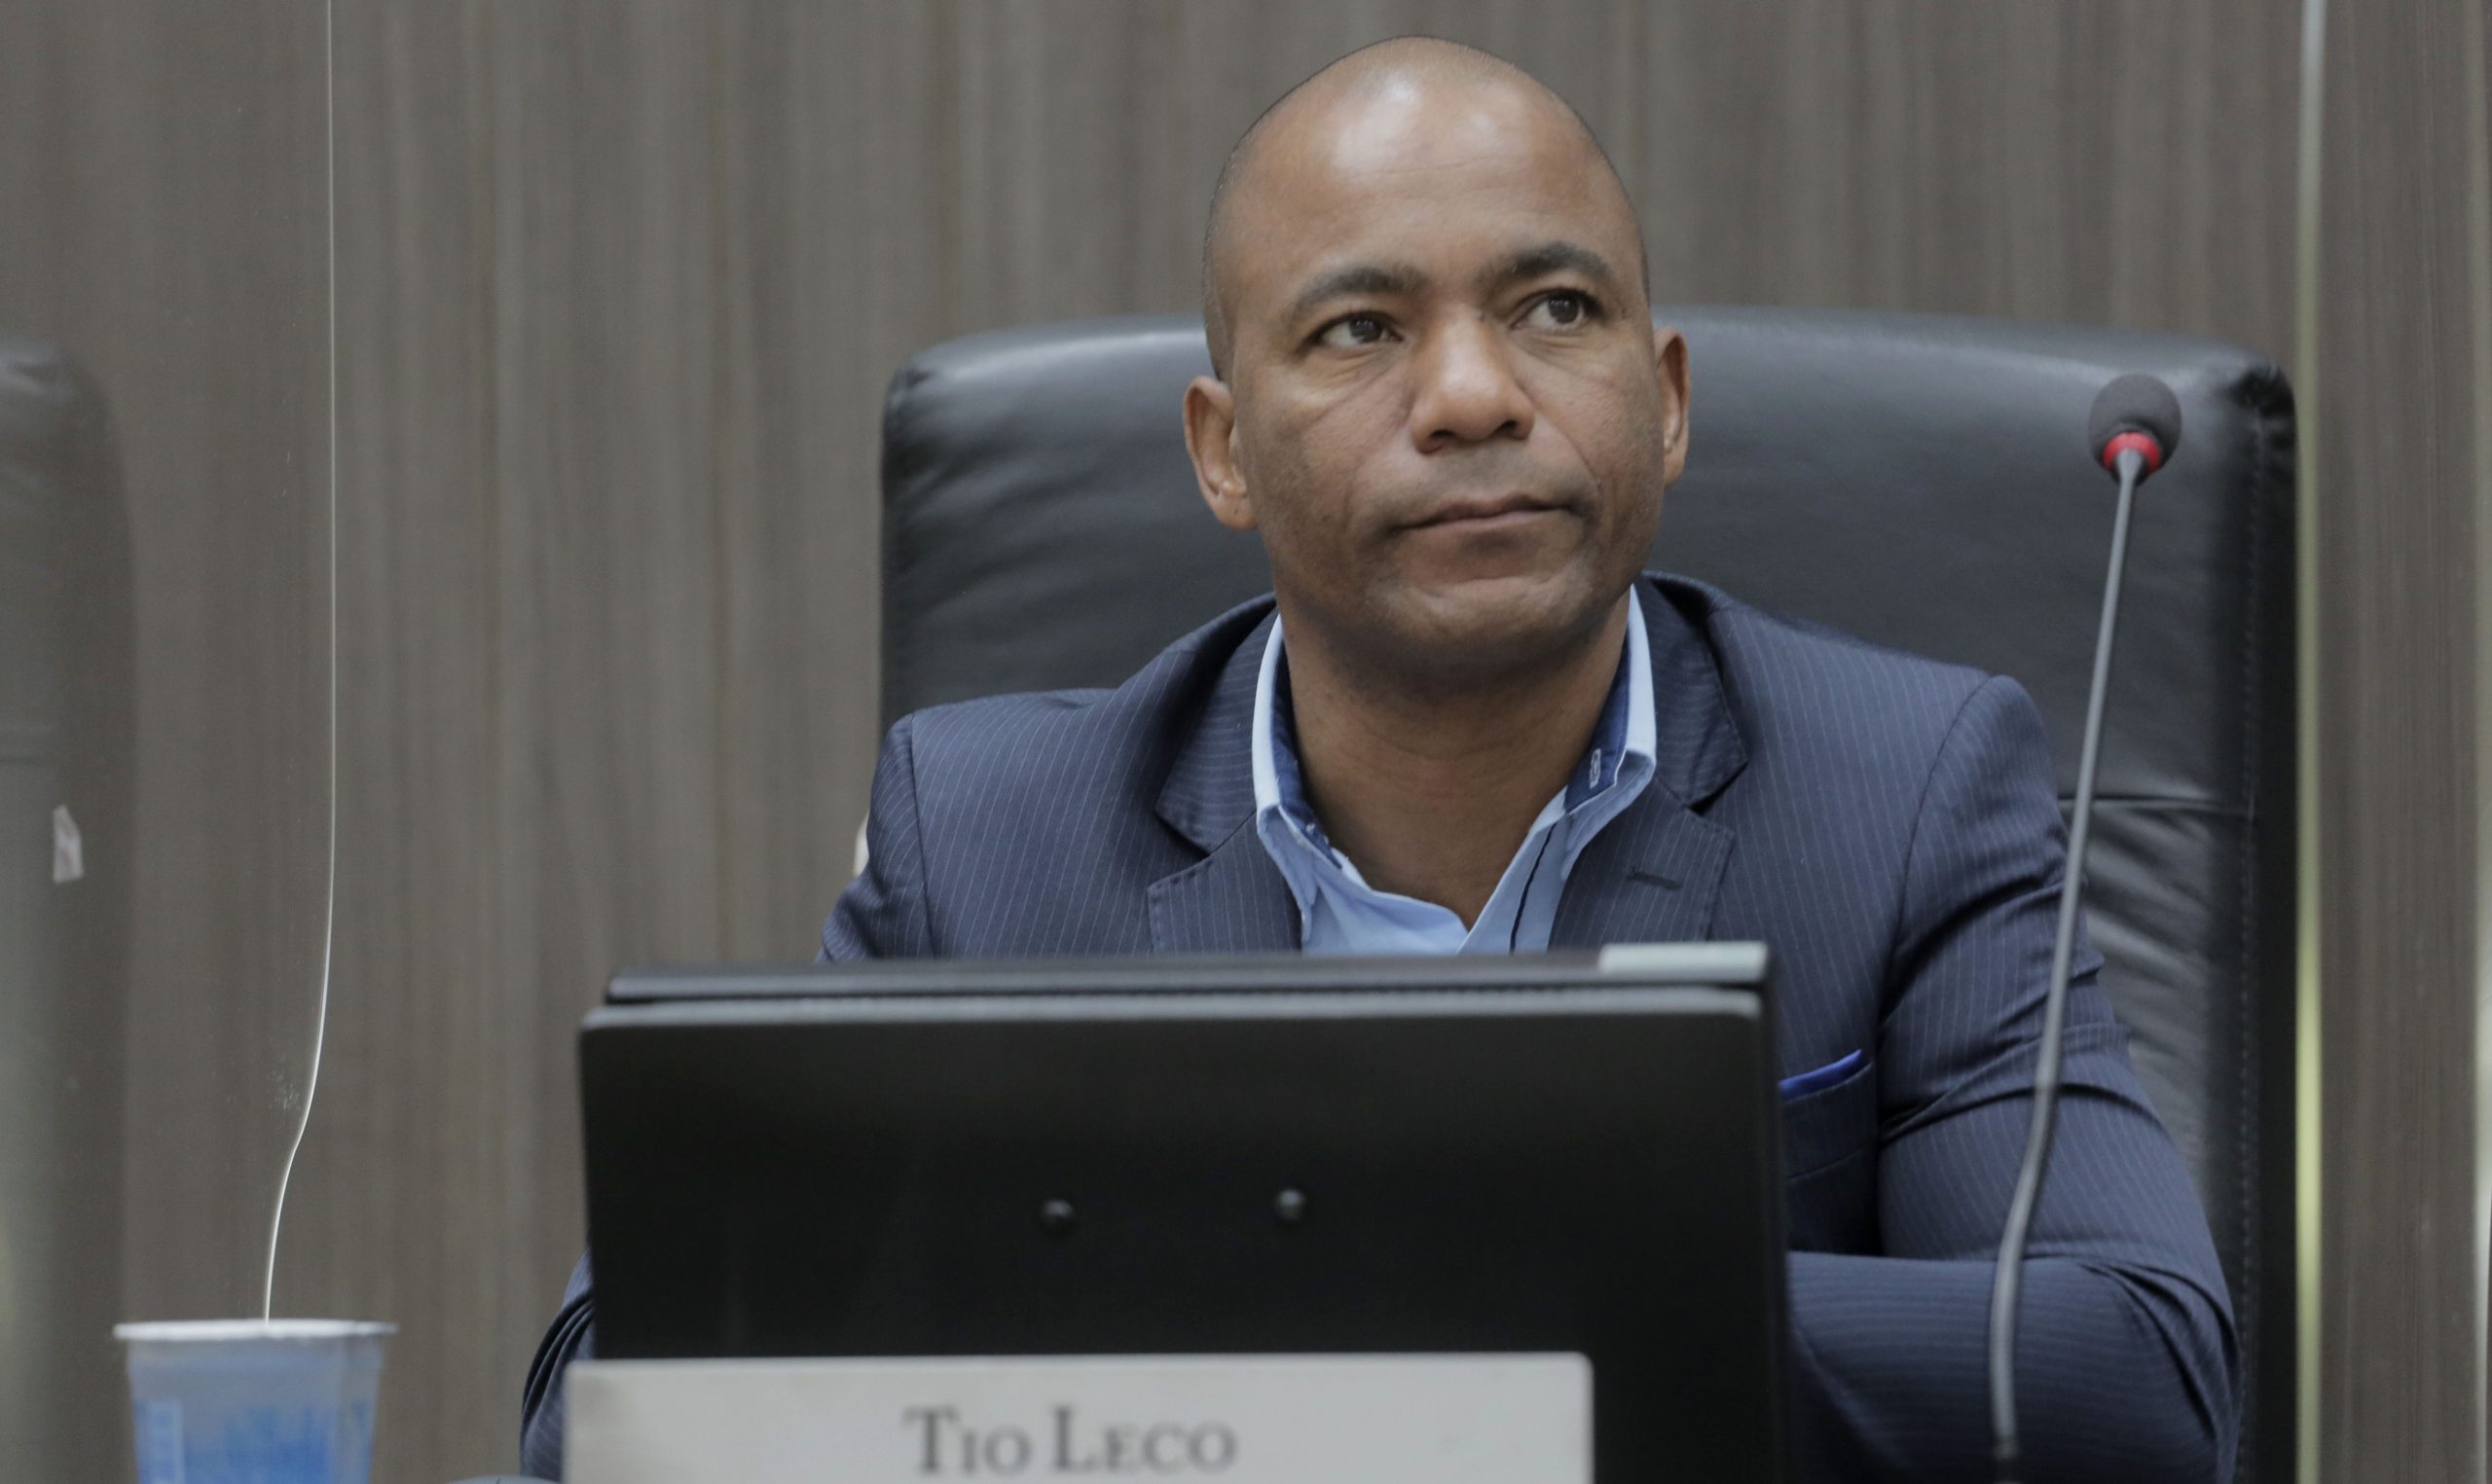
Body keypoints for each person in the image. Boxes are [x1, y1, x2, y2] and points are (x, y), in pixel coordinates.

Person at [526, 37, 2236, 1481]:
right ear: (1222, 453)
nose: (1474, 394)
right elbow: (610, 1398)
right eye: (1359, 328)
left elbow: (2136, 1374)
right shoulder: (985, 839)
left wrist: (1389, 1271)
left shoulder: (1908, 788)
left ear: (1666, 400)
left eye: (1554, 307)